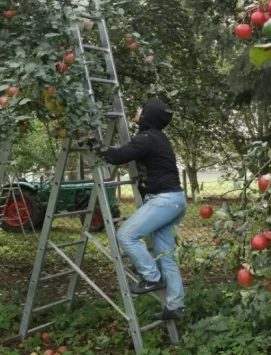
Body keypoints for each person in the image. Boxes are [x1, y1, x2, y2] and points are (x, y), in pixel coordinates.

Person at [103, 98, 187, 321]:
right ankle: (175, 306)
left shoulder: (147, 138)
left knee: (126, 235)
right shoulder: (157, 138)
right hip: (175, 199)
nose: (137, 110)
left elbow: (116, 155)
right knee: (166, 257)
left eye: (142, 108)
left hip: (165, 200)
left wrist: (96, 145)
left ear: (147, 116)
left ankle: (151, 277)